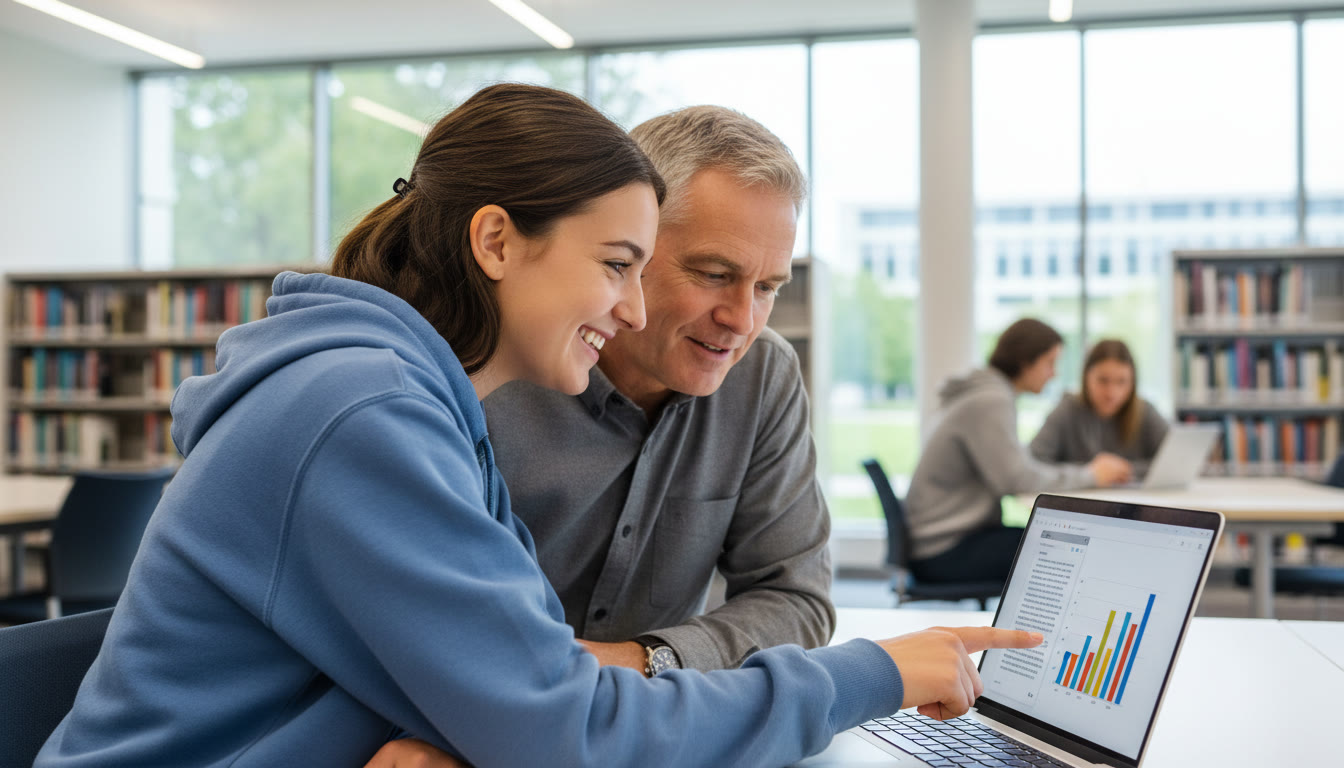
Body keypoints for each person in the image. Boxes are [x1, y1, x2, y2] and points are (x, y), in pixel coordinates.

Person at [37, 84, 1040, 768]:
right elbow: (565, 722)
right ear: (497, 242)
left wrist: (493, 726)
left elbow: (526, 693)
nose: (636, 308)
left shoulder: (415, 396)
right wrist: (869, 674)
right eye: (617, 265)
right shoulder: (367, 413)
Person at [477, 105, 829, 676]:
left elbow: (796, 600)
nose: (742, 319)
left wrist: (644, 661)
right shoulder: (490, 368)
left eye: (766, 287)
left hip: (651, 727)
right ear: (629, 246)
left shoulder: (762, 376)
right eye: (714, 274)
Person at [904, 318, 1133, 587]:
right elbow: (1016, 479)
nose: (1054, 374)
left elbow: (1018, 468)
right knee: (1064, 550)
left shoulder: (985, 394)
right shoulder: (990, 400)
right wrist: (1091, 475)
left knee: (1051, 540)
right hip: (944, 548)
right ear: (1026, 362)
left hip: (942, 539)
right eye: (1050, 363)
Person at [1030, 339, 1169, 474]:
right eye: (1103, 380)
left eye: (1121, 382)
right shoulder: (1067, 410)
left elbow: (1176, 460)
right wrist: (1090, 473)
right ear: (1086, 377)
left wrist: (1127, 469)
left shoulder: (1144, 411)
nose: (1111, 393)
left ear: (1133, 383)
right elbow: (1033, 463)